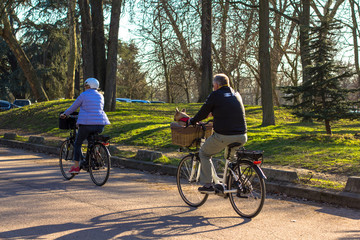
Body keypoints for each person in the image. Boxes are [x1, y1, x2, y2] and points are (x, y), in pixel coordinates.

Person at [188, 73, 247, 193]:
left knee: (204, 153)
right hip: (242, 135)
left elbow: (203, 112)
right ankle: (239, 183)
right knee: (231, 160)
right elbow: (230, 110)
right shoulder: (236, 94)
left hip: (225, 135)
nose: (213, 87)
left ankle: (208, 185)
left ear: (216, 84)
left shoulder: (215, 94)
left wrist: (192, 120)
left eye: (213, 85)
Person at [60, 78, 110, 174]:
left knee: (78, 143)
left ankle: (76, 166)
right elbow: (95, 109)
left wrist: (65, 114)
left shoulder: (83, 95)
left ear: (88, 86)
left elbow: (74, 106)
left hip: (87, 124)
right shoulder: (101, 96)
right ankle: (94, 155)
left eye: (85, 86)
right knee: (91, 140)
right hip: (100, 124)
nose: (85, 87)